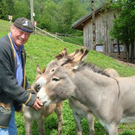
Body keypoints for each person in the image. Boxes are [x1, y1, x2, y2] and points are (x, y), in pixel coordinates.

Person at [0, 17, 43, 135]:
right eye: (21, 32)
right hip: (1, 100)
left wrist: (31, 92)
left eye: (27, 34)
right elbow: (7, 82)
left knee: (11, 130)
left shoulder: (20, 50)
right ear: (12, 28)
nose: (23, 37)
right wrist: (29, 99)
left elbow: (20, 77)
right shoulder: (2, 47)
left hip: (8, 101)